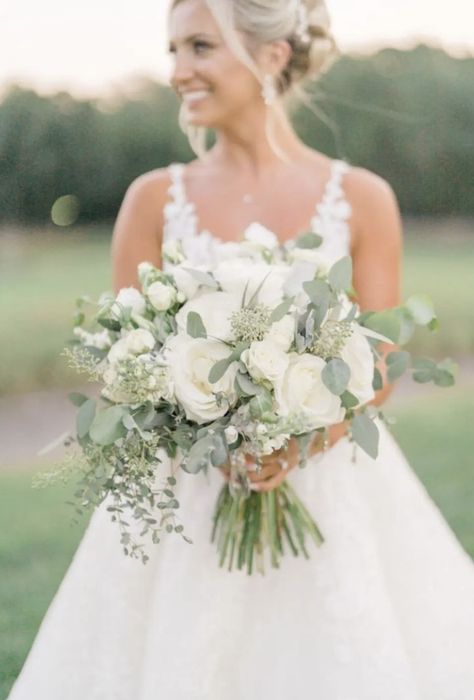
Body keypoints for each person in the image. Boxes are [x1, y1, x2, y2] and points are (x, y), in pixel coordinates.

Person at [7, 1, 474, 698]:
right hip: (188, 499)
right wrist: (202, 425)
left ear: (272, 55)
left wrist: (295, 443)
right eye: (172, 52)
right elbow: (123, 364)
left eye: (198, 47)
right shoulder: (153, 201)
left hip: (331, 487)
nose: (177, 72)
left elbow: (377, 367)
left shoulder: (364, 199)